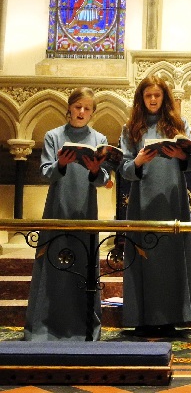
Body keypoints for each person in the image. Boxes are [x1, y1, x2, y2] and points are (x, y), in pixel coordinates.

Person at [24, 88, 113, 341]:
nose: (82, 112)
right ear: (69, 108)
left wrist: (96, 170)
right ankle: (45, 327)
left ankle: (82, 328)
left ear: (93, 112)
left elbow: (104, 179)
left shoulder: (99, 138)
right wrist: (61, 164)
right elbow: (44, 173)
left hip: (86, 210)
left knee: (83, 264)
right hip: (57, 208)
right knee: (54, 264)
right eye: (77, 107)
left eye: (87, 108)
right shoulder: (54, 136)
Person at [119, 75, 191, 337]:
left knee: (171, 256)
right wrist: (139, 161)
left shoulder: (178, 124)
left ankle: (171, 315)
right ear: (141, 99)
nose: (153, 100)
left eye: (157, 95)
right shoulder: (131, 128)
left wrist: (181, 155)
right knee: (144, 256)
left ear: (165, 98)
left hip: (172, 198)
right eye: (148, 96)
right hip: (143, 199)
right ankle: (142, 315)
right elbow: (124, 169)